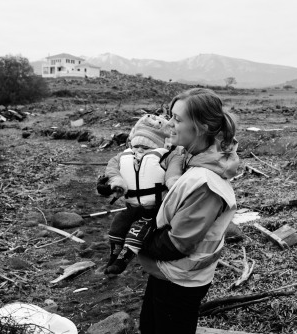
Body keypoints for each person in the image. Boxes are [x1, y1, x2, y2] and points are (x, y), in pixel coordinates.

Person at [137, 88, 239, 334]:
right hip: (171, 274)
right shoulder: (194, 159)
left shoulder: (205, 184)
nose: (170, 124)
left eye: (178, 119)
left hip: (180, 281)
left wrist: (138, 243)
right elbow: (175, 158)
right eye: (170, 116)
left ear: (201, 127)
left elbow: (178, 242)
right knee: (149, 326)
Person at [96, 114, 183, 275]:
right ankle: (113, 255)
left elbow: (174, 173)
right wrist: (114, 183)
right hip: (131, 206)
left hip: (154, 209)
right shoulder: (122, 157)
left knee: (137, 232)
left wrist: (174, 183)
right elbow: (112, 169)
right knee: (117, 227)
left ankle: (122, 261)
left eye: (146, 148)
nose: (140, 151)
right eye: (136, 147)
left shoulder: (169, 157)